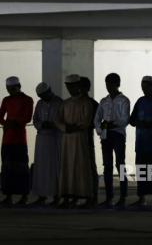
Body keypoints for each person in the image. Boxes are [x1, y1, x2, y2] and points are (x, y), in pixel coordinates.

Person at [57, 74, 95, 208]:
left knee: (80, 166)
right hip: (67, 139)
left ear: (78, 86)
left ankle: (83, 196)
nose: (70, 89)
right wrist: (65, 127)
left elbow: (86, 121)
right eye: (68, 86)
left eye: (72, 86)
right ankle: (68, 195)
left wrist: (74, 127)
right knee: (67, 166)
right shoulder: (65, 103)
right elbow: (58, 120)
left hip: (79, 138)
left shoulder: (86, 102)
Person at [94, 73, 130, 208]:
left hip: (118, 135)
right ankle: (109, 197)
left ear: (117, 84)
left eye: (111, 84)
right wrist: (101, 129)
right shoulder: (104, 101)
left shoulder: (124, 100)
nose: (108, 86)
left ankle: (123, 196)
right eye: (107, 84)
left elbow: (125, 119)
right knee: (107, 167)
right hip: (106, 136)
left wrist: (110, 124)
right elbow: (97, 119)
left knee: (120, 165)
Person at [0, 76, 34, 206]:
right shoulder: (6, 100)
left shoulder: (28, 100)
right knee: (7, 168)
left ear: (18, 86)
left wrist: (12, 123)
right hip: (7, 139)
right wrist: (7, 123)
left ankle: (23, 196)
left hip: (19, 139)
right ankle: (9, 196)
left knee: (21, 168)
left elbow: (28, 117)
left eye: (12, 88)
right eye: (8, 89)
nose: (10, 91)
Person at [129, 76, 152, 207]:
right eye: (142, 87)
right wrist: (139, 123)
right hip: (141, 143)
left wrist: (149, 124)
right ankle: (142, 197)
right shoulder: (140, 101)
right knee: (142, 170)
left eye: (146, 87)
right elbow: (132, 120)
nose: (144, 90)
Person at [31, 82, 63, 206]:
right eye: (41, 96)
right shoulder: (39, 104)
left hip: (55, 139)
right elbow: (35, 120)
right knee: (41, 168)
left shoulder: (59, 103)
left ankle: (56, 196)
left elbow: (63, 120)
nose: (42, 98)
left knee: (54, 168)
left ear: (49, 91)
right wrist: (41, 125)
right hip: (42, 139)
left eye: (44, 95)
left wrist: (54, 125)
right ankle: (41, 196)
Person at [79, 76, 99, 205]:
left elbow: (99, 123)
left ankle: (92, 196)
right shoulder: (76, 102)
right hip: (77, 139)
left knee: (89, 166)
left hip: (86, 138)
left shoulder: (92, 104)